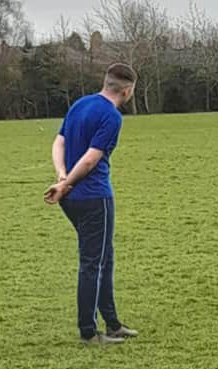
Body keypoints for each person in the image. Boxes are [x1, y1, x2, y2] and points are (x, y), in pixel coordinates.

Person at [44, 63, 139, 344]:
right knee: (92, 263)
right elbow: (89, 159)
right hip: (94, 197)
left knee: (103, 259)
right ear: (127, 90)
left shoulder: (80, 104)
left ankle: (112, 323)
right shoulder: (112, 116)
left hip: (71, 198)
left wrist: (61, 176)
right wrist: (67, 183)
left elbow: (58, 142)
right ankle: (88, 331)